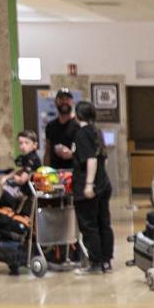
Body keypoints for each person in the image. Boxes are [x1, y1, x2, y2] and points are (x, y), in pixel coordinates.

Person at [70, 100, 114, 273]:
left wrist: (88, 185)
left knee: (89, 225)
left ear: (78, 114)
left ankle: (95, 262)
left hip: (90, 186)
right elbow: (104, 158)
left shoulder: (81, 134)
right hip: (104, 184)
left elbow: (91, 159)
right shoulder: (97, 131)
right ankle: (106, 260)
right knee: (104, 223)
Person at [46, 90, 76, 166]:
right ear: (56, 103)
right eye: (62, 99)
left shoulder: (78, 125)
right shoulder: (50, 126)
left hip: (75, 172)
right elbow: (48, 151)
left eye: (67, 99)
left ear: (72, 102)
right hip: (54, 173)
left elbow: (86, 152)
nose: (64, 102)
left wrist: (71, 154)